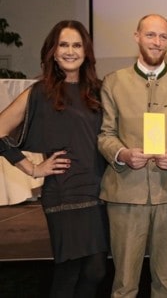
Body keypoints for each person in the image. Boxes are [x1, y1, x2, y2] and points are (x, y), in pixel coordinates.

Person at [0, 20, 108, 297]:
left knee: (96, 270)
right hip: (63, 191)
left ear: (86, 51)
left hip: (98, 190)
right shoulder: (39, 92)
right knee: (69, 270)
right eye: (63, 44)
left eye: (76, 45)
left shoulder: (98, 90)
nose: (70, 51)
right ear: (52, 51)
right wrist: (33, 168)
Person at [98, 14, 167, 297]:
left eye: (163, 36)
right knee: (124, 284)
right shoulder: (114, 82)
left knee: (166, 283)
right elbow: (105, 134)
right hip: (125, 194)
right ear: (137, 37)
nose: (157, 42)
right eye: (150, 35)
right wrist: (123, 154)